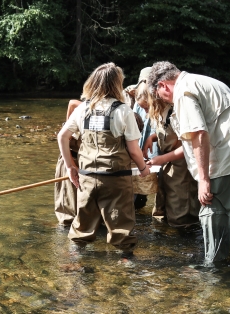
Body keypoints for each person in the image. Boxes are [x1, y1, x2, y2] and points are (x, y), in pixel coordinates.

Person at [147, 61, 230, 265]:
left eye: (160, 95)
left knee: (213, 212)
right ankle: (224, 261)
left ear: (162, 86)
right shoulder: (203, 81)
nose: (164, 100)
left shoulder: (183, 92)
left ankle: (212, 272)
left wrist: (203, 180)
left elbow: (199, 133)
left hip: (227, 158)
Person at [57, 62, 150, 257]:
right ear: (117, 84)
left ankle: (76, 260)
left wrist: (70, 167)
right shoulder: (124, 111)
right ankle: (126, 261)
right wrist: (143, 168)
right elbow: (134, 150)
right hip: (116, 178)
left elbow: (62, 136)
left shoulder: (83, 109)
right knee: (120, 223)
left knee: (83, 222)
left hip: (87, 176)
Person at [139, 79, 200, 229]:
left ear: (155, 100)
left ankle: (185, 245)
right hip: (166, 169)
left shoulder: (178, 112)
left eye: (147, 108)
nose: (146, 112)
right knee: (162, 211)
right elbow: (166, 133)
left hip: (182, 171)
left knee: (181, 216)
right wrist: (151, 138)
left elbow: (191, 146)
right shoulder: (162, 111)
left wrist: (162, 159)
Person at [125, 67, 160, 210]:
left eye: (147, 107)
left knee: (159, 185)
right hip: (139, 149)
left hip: (157, 151)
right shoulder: (133, 97)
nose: (145, 110)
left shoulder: (161, 101)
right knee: (136, 189)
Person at [54, 100, 83, 226]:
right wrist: (72, 166)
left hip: (82, 164)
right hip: (70, 161)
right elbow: (72, 103)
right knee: (68, 214)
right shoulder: (84, 109)